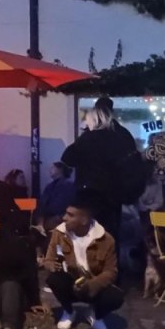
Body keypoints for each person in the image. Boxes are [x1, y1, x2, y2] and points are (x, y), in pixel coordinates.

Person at [60, 97, 138, 243]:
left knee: (88, 234)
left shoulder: (89, 137)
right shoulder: (122, 135)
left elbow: (67, 158)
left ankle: (90, 263)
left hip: (88, 192)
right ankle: (111, 263)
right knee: (110, 234)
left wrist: (86, 135)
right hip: (113, 194)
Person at [43, 196, 122, 329]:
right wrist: (51, 265)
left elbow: (111, 272)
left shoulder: (106, 239)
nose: (64, 218)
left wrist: (91, 285)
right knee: (53, 279)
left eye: (70, 215)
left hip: (92, 286)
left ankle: (95, 314)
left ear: (84, 220)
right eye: (66, 213)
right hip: (70, 283)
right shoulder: (59, 233)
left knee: (116, 297)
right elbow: (48, 259)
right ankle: (69, 311)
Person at [36, 162, 78, 233]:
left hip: (59, 218)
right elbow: (42, 204)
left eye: (53, 168)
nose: (50, 170)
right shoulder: (49, 186)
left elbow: (60, 204)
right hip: (50, 218)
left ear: (60, 170)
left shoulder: (67, 185)